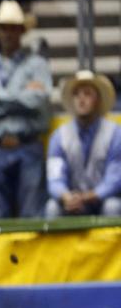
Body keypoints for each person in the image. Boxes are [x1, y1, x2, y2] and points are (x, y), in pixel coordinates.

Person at [0, 0, 52, 219]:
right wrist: (21, 98)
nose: (8, 33)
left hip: (28, 146)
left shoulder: (37, 65)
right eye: (4, 28)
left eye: (13, 28)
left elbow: (37, 101)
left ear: (22, 31)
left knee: (32, 218)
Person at [46, 70, 121, 218]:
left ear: (98, 100)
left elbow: (115, 179)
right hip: (72, 203)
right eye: (77, 94)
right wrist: (66, 196)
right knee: (52, 208)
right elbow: (54, 178)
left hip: (101, 201)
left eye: (87, 94)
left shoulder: (115, 134)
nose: (81, 99)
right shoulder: (58, 136)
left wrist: (88, 196)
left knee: (113, 206)